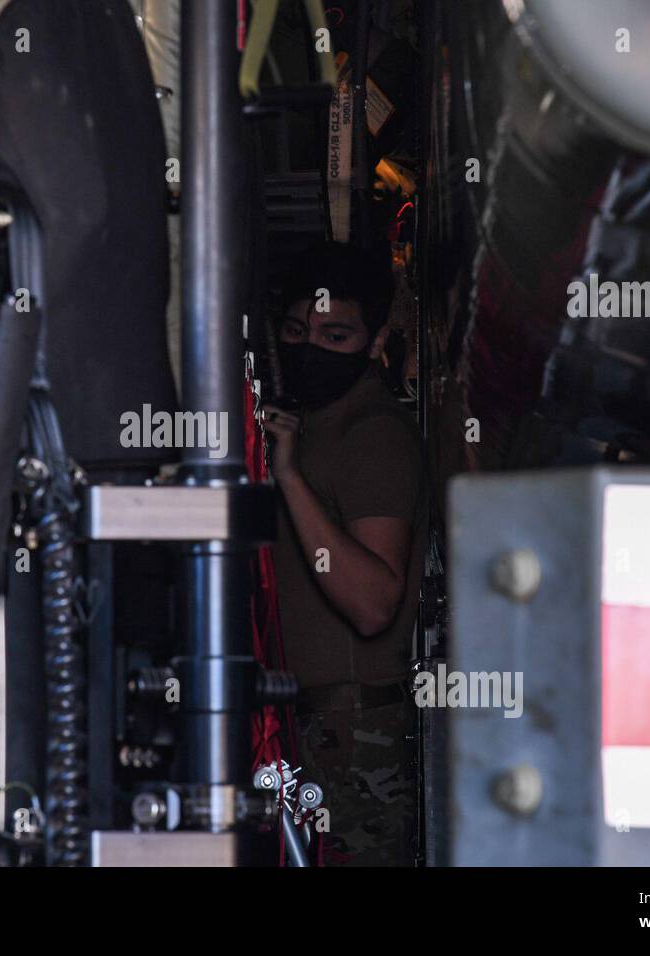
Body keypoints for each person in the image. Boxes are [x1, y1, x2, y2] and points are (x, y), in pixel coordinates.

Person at [260, 242, 427, 866]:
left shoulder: (372, 435)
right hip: (308, 729)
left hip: (353, 738)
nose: (312, 349)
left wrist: (292, 480)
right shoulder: (309, 422)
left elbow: (373, 603)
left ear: (376, 337)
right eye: (300, 331)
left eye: (336, 335)